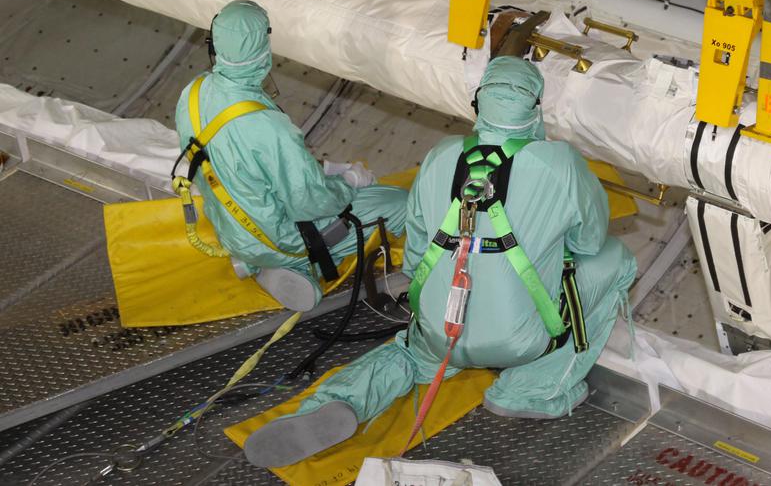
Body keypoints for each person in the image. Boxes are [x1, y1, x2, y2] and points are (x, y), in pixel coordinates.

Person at [242, 56, 636, 468]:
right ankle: (528, 390)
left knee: (409, 355)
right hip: (522, 340)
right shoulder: (562, 164)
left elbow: (416, 249)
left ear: (479, 104)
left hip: (442, 328)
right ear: (535, 110)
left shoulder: (441, 154)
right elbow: (589, 241)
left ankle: (340, 402)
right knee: (616, 259)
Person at [174, 0, 408, 311]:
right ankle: (289, 262)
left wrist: (322, 168)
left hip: (230, 229)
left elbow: (241, 161)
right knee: (399, 204)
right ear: (263, 47)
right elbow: (310, 201)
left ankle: (254, 262)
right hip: (277, 237)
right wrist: (349, 181)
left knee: (286, 209)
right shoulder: (269, 127)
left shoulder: (193, 92)